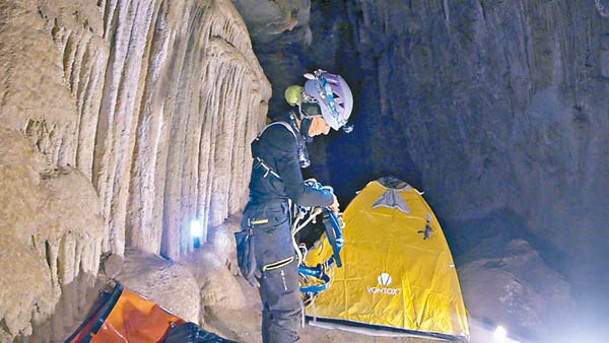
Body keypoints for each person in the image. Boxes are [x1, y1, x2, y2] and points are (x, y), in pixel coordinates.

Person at [239, 69, 353, 342]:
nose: (325, 130)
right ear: (312, 107)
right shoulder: (282, 135)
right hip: (269, 227)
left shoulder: (288, 135)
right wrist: (329, 200)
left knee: (276, 309)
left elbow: (288, 189)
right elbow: (299, 194)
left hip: (269, 223)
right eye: (325, 121)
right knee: (287, 309)